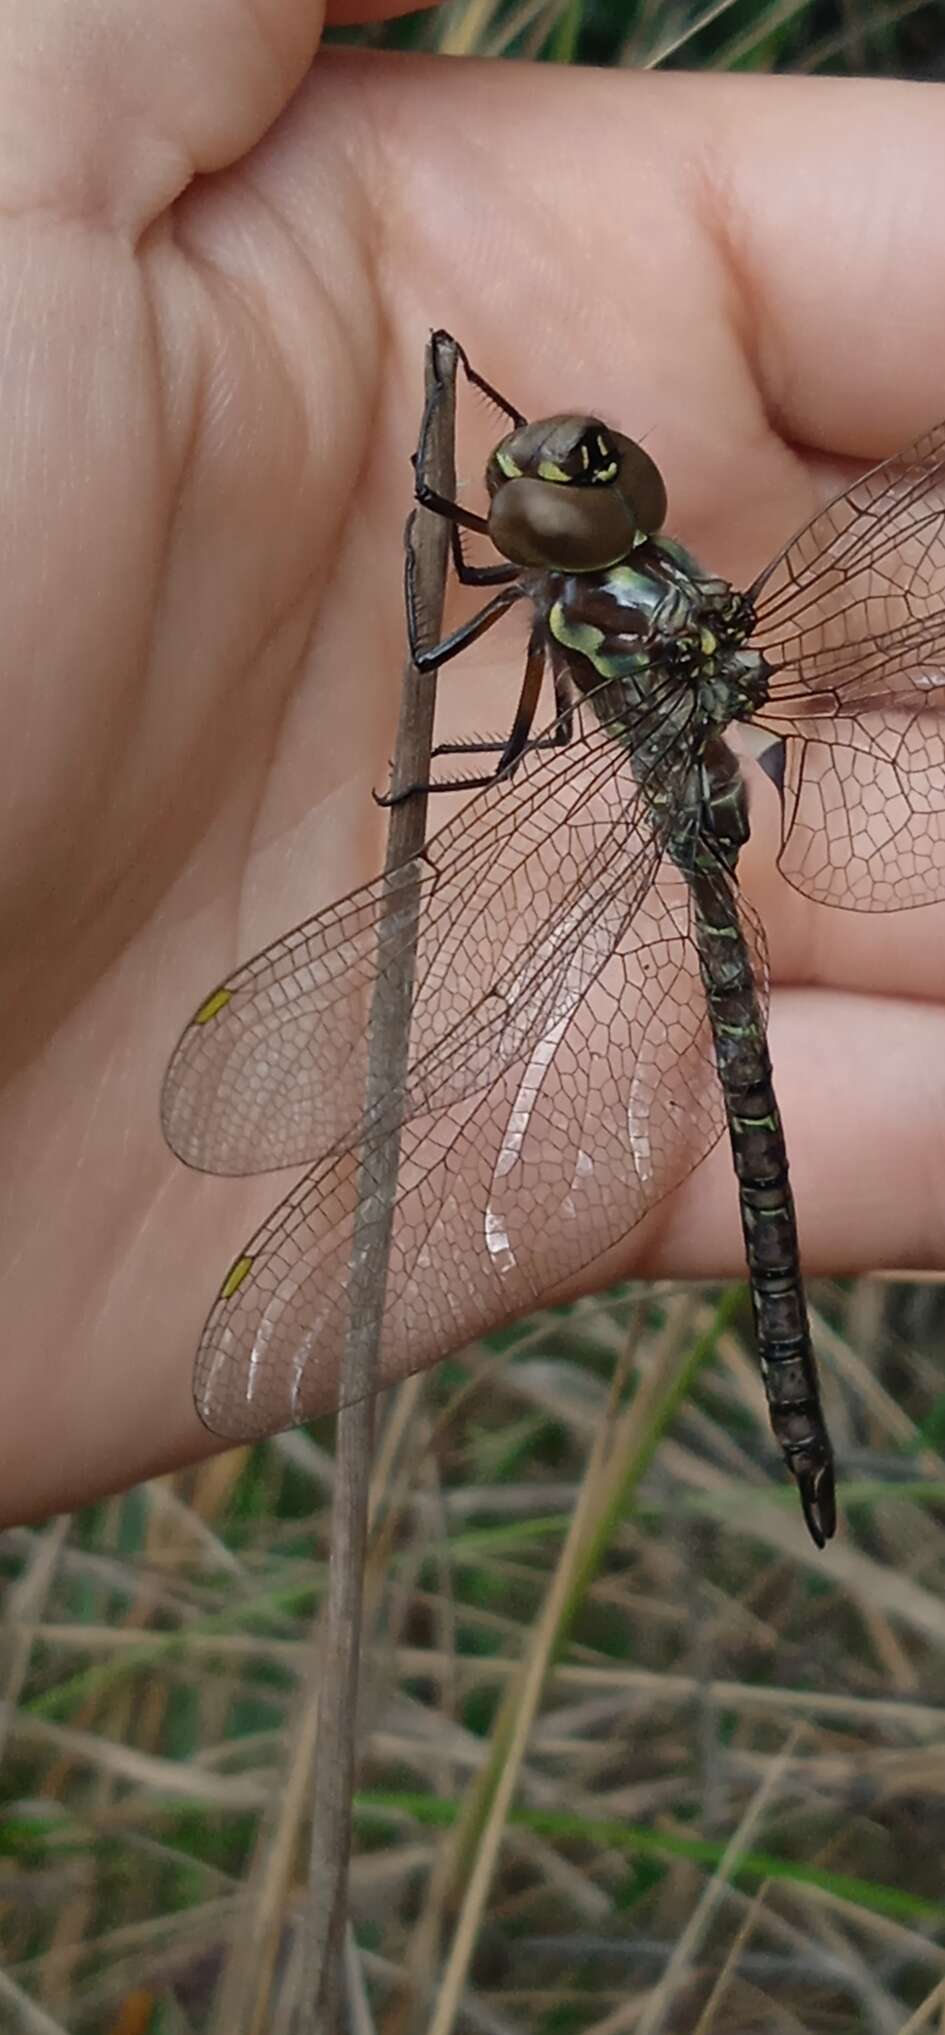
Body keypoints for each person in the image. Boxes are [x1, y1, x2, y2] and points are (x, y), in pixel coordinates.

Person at [3, 2, 944, 1526]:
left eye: (561, 488)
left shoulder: (569, 602)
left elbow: (461, 696)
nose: (523, 483)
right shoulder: (643, 593)